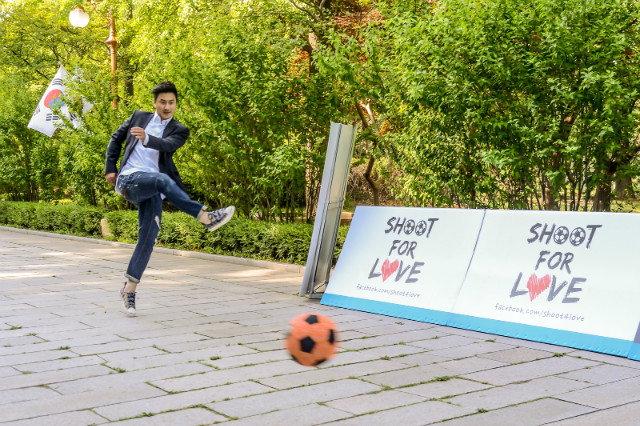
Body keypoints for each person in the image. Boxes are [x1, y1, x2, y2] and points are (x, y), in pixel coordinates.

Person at [104, 81, 234, 316]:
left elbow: (166, 145)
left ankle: (128, 289)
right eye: (162, 102)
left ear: (176, 104)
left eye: (171, 102)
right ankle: (205, 217)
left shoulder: (179, 130)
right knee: (161, 180)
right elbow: (115, 139)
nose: (167, 106)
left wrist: (147, 138)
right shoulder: (138, 117)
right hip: (130, 179)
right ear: (154, 102)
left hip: (153, 187)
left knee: (148, 238)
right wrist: (110, 168)